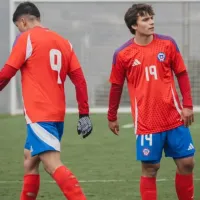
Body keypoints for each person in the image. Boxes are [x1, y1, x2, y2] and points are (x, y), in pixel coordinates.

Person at [0, 2, 93, 200]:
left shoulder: (26, 38)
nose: (19, 30)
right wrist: (84, 114)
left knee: (52, 164)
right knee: (29, 160)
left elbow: (7, 72)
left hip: (39, 114)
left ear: (23, 21)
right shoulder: (64, 42)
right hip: (56, 114)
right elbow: (80, 81)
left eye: (18, 26)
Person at [107, 3, 195, 200]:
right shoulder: (122, 54)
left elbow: (181, 73)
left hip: (174, 117)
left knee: (187, 163)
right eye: (145, 19)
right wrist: (111, 117)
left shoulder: (168, 44)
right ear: (134, 26)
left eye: (151, 18)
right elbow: (116, 87)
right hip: (147, 121)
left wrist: (187, 105)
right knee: (150, 168)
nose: (152, 22)